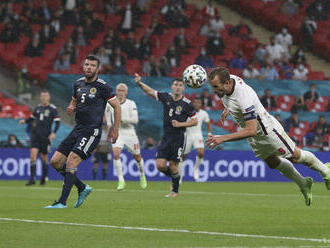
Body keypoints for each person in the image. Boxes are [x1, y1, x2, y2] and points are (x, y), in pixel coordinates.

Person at [206, 67, 330, 206]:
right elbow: (233, 97)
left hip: (267, 131)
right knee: (272, 162)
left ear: (227, 83)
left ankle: (325, 170)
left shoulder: (243, 98)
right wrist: (228, 109)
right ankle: (303, 183)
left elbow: (251, 129)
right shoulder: (230, 82)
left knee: (294, 156)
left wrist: (222, 138)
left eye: (216, 87)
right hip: (253, 134)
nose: (214, 90)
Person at [44, 55, 121, 208]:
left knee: (71, 161)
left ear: (97, 69)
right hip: (77, 129)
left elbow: (117, 106)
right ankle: (82, 188)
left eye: (92, 65)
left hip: (91, 131)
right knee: (55, 162)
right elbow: (74, 100)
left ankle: (62, 202)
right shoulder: (78, 83)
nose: (88, 67)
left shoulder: (103, 86)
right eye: (86, 64)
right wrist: (71, 107)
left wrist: (115, 130)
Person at [134, 74, 197, 197]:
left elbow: (195, 121)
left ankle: (175, 191)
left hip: (178, 138)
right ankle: (175, 179)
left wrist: (180, 124)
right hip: (166, 137)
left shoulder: (187, 104)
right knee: (160, 165)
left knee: (173, 165)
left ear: (183, 88)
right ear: (172, 86)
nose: (178, 87)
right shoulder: (166, 97)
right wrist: (139, 83)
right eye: (176, 85)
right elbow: (150, 91)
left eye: (180, 85)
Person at [105, 83, 147, 190]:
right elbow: (107, 113)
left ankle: (142, 175)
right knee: (116, 154)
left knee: (137, 157)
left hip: (129, 133)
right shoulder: (110, 104)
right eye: (119, 90)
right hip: (117, 132)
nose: (120, 92)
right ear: (116, 91)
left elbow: (135, 120)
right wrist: (109, 126)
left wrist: (123, 120)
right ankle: (121, 180)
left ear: (126, 92)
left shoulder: (131, 103)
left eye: (123, 90)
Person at [19, 91, 60, 186]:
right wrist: (24, 121)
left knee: (44, 158)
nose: (43, 98)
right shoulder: (37, 108)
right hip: (35, 136)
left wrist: (54, 133)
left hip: (45, 137)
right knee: (32, 156)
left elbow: (57, 122)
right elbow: (31, 119)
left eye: (45, 96)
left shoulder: (53, 109)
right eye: (42, 96)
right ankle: (32, 179)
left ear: (49, 97)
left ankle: (43, 178)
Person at [178, 97, 212, 182]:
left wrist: (209, 134)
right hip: (187, 135)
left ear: (201, 104)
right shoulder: (188, 112)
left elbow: (208, 123)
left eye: (199, 103)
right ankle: (180, 176)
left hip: (198, 135)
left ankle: (196, 169)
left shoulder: (204, 113)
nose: (197, 104)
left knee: (200, 152)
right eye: (195, 102)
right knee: (183, 156)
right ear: (193, 104)